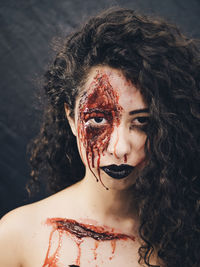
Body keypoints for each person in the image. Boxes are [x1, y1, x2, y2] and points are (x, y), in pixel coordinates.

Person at [0, 7, 200, 267]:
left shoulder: (186, 234)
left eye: (141, 121)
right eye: (98, 119)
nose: (119, 148)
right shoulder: (17, 235)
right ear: (71, 118)